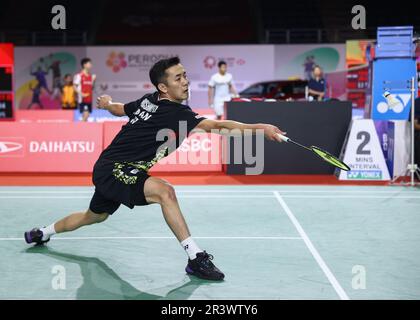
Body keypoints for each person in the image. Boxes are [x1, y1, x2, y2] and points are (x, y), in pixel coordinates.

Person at [24, 57, 285, 281]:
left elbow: (119, 109)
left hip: (109, 168)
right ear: (163, 86)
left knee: (93, 216)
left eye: (185, 76)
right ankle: (195, 257)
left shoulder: (149, 100)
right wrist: (260, 129)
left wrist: (107, 104)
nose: (185, 82)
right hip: (116, 168)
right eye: (178, 78)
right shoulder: (175, 113)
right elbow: (221, 127)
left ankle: (42, 233)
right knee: (165, 192)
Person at [74, 58, 96, 122]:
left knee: (87, 115)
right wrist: (81, 94)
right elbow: (74, 87)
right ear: (84, 65)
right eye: (89, 63)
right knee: (86, 115)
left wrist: (93, 81)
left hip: (89, 99)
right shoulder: (79, 76)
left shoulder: (90, 76)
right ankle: (79, 129)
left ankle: (80, 128)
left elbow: (92, 88)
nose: (91, 65)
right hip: (82, 100)